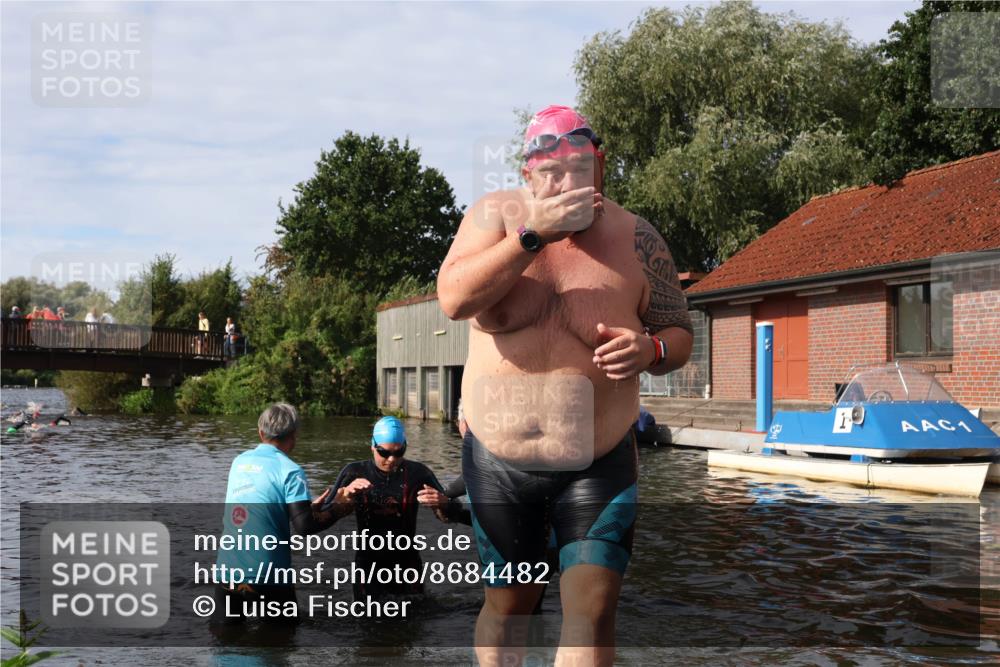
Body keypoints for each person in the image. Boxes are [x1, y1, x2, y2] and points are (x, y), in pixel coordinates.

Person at [436, 105, 693, 666]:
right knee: (509, 608)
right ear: (528, 174)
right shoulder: (493, 217)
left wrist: (651, 349)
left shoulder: (636, 239)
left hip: (599, 461)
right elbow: (454, 299)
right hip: (501, 461)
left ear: (599, 168)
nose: (566, 182)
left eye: (580, 167)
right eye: (550, 171)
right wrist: (532, 236)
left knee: (593, 615)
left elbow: (679, 335)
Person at [213, 403, 337, 624]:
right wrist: (339, 509)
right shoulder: (290, 470)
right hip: (269, 577)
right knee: (281, 642)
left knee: (225, 643)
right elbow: (305, 527)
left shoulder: (238, 462)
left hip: (228, 572)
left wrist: (305, 510)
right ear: (294, 435)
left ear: (261, 433)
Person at [324, 416, 464, 600]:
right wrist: (346, 497)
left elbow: (449, 516)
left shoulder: (418, 473)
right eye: (384, 452)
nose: (392, 459)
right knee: (366, 622)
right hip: (368, 565)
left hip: (407, 563)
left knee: (415, 621)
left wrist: (443, 504)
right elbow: (324, 515)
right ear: (372, 446)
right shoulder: (354, 472)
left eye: (399, 452)